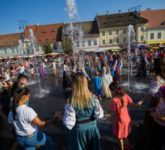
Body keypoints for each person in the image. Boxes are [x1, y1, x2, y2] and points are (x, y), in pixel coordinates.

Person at [63, 73, 104, 150]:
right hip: (92, 130)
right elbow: (100, 115)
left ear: (74, 85)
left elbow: (69, 124)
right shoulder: (94, 98)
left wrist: (61, 117)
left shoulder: (71, 101)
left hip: (79, 132)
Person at [150, 85, 165, 150]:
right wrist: (154, 109)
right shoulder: (161, 99)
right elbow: (159, 107)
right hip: (156, 122)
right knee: (156, 137)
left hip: (162, 126)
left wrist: (156, 116)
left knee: (160, 140)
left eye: (160, 92)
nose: (158, 93)